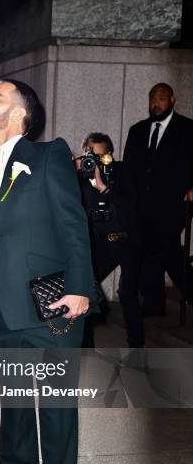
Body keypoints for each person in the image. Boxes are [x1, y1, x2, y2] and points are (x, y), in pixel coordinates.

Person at [0, 79, 94, 464]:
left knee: (57, 406)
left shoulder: (48, 156)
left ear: (21, 113)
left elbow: (73, 224)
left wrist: (81, 288)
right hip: (3, 307)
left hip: (54, 302)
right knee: (16, 403)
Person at [122, 83, 193, 316]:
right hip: (141, 205)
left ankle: (188, 291)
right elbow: (130, 167)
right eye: (152, 98)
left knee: (168, 248)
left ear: (172, 100)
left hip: (172, 204)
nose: (156, 103)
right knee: (151, 250)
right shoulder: (138, 130)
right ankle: (154, 304)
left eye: (161, 98)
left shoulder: (188, 129)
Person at [75, 132, 145, 348]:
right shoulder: (80, 174)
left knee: (127, 292)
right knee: (85, 288)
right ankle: (86, 347)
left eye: (100, 157)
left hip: (127, 239)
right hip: (102, 242)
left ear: (110, 155)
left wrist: (104, 187)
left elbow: (131, 208)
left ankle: (136, 346)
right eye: (90, 156)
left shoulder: (122, 172)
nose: (94, 162)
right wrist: (71, 170)